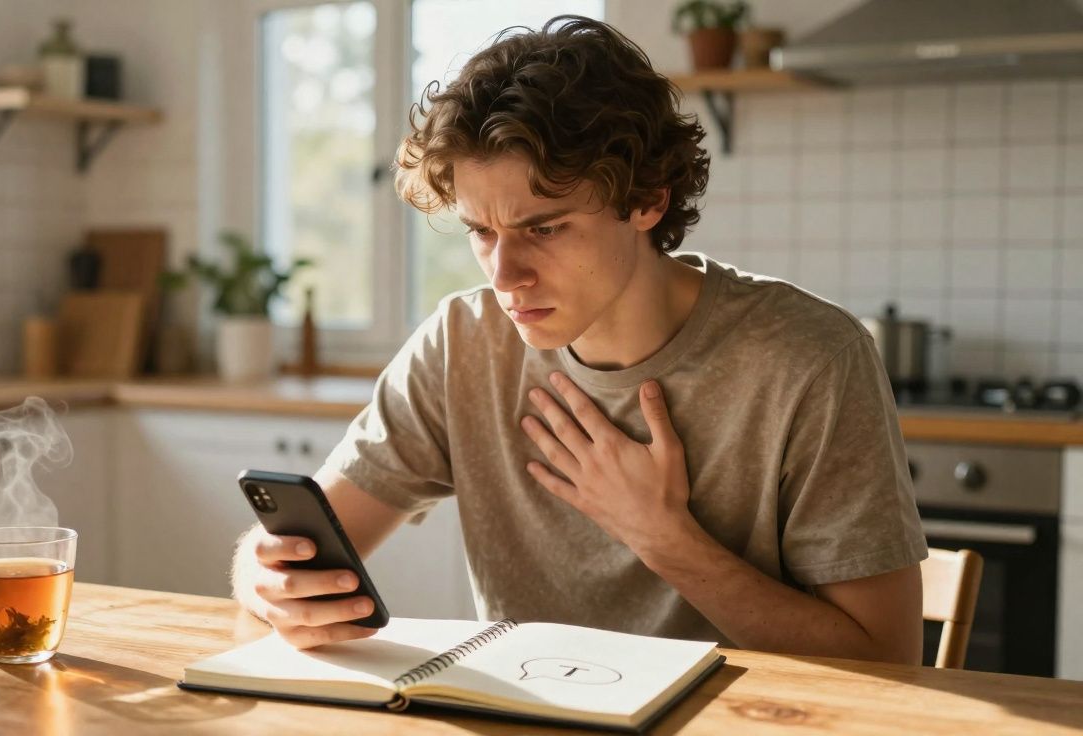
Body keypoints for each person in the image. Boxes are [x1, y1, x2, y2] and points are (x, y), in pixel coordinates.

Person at [232, 15, 927, 664]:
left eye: (543, 228)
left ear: (648, 199)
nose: (505, 275)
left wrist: (665, 540)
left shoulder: (809, 357)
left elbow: (888, 662)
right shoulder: (463, 344)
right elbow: (281, 549)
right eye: (481, 231)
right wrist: (267, 583)